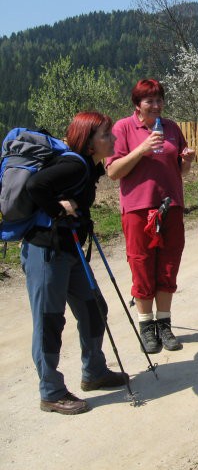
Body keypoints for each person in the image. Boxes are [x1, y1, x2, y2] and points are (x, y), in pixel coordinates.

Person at [22, 111, 127, 415]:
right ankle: (51, 392)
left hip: (69, 250)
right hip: (46, 252)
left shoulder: (88, 167)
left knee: (95, 307)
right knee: (49, 320)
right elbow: (35, 187)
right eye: (106, 135)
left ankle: (94, 372)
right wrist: (58, 209)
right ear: (90, 142)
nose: (113, 138)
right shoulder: (72, 165)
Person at [106, 79, 195, 354]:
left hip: (171, 206)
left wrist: (188, 160)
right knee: (142, 266)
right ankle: (146, 327)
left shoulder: (171, 127)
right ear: (137, 104)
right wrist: (141, 149)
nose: (156, 105)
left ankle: (164, 325)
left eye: (159, 100)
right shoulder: (123, 128)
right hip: (138, 209)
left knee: (168, 265)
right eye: (150, 101)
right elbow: (113, 171)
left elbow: (180, 172)